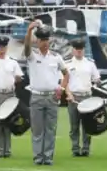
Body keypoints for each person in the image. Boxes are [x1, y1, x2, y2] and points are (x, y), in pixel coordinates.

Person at [22, 21, 69, 166]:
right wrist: (29, 30)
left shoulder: (56, 57)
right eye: (42, 40)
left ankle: (48, 157)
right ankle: (38, 157)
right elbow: (26, 48)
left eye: (47, 39)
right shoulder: (32, 56)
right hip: (36, 96)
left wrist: (61, 89)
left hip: (51, 97)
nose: (45, 43)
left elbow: (66, 74)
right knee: (37, 130)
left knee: (50, 129)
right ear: (38, 41)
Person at [65, 39, 100, 157]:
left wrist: (96, 83)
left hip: (86, 96)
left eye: (80, 49)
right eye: (76, 49)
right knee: (74, 125)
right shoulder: (67, 64)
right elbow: (64, 82)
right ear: (73, 50)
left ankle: (86, 148)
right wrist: (68, 94)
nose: (79, 51)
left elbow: (97, 79)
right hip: (73, 97)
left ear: (84, 50)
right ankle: (75, 148)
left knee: (87, 124)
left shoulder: (90, 63)